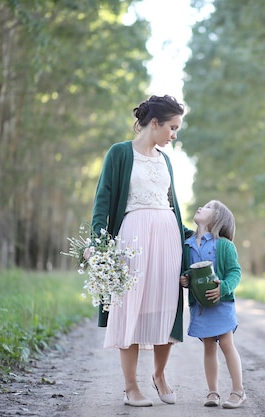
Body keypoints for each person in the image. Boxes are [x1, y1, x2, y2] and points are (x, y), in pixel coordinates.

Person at [87, 94, 191, 407]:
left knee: (166, 306)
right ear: (155, 123)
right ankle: (131, 387)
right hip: (132, 241)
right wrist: (96, 241)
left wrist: (200, 237)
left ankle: (159, 374)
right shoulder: (119, 153)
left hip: (167, 241)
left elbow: (174, 207)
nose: (174, 135)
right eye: (172, 128)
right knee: (130, 308)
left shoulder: (166, 160)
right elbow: (103, 200)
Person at [179, 200, 246, 409]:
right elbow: (189, 272)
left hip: (221, 302)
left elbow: (235, 272)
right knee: (208, 346)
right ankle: (213, 392)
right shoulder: (187, 244)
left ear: (217, 218)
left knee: (226, 344)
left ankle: (238, 390)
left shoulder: (224, 245)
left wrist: (224, 287)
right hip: (200, 306)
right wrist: (185, 279)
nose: (201, 207)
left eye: (208, 207)